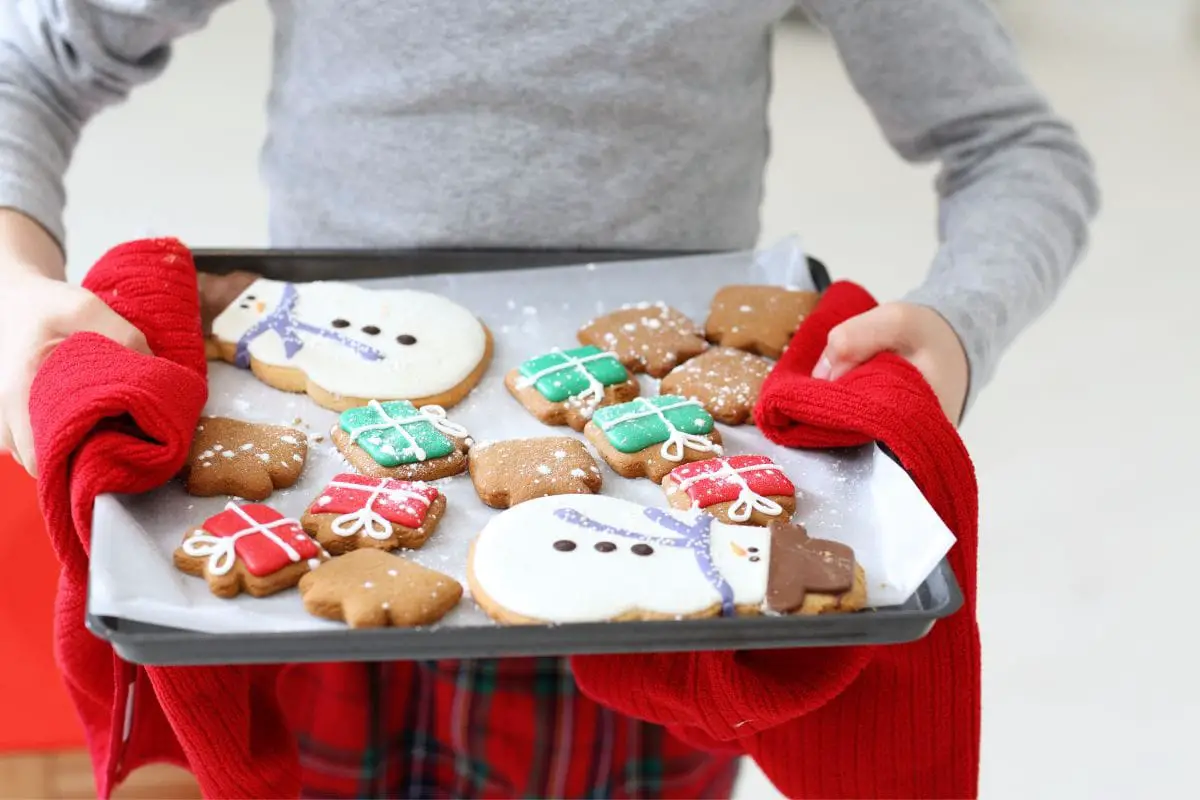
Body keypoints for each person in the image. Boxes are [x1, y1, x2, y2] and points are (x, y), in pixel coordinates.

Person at [0, 1, 1098, 796]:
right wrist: (14, 283)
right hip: (330, 555)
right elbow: (31, 64)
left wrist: (954, 328)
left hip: (660, 611)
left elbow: (1018, 147)